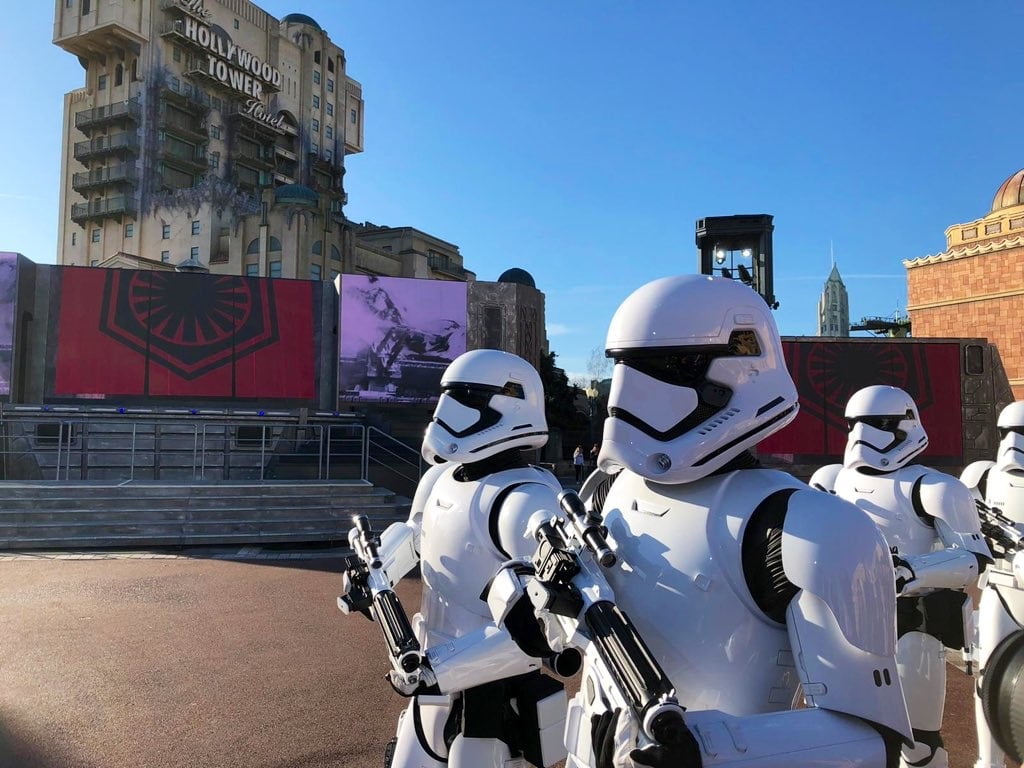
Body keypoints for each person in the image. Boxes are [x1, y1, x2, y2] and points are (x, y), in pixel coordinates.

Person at [558, 274, 913, 768]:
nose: (630, 393)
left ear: (735, 370)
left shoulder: (807, 526)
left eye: (662, 368)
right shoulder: (606, 493)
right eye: (625, 366)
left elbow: (873, 737)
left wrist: (708, 748)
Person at [339, 349, 570, 768]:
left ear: (509, 404)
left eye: (466, 398)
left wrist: (439, 668)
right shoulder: (439, 477)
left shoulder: (527, 498)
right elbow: (416, 536)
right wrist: (372, 576)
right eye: (448, 395)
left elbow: (542, 629)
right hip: (427, 677)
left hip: (491, 690)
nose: (447, 410)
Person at [810, 385, 992, 768]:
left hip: (912, 620)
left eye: (876, 424)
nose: (861, 436)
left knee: (918, 743)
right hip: (846, 616)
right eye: (854, 424)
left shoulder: (935, 488)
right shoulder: (831, 480)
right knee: (844, 731)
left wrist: (911, 571)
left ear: (904, 426)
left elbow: (974, 559)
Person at [960, 400, 1024, 768]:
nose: (1013, 442)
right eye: (1006, 433)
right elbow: (966, 536)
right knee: (989, 678)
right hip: (1001, 588)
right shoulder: (982, 477)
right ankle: (989, 760)